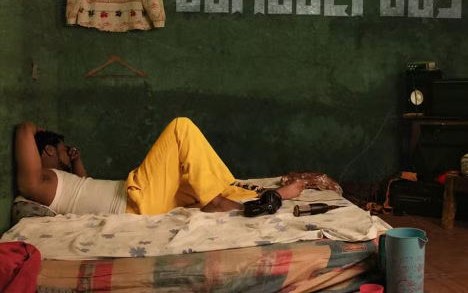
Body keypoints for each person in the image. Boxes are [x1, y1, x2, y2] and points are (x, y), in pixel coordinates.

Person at [14, 118, 305, 216]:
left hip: (146, 200)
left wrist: (75, 160)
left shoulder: (59, 180)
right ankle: (216, 201)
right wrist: (39, 131)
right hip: (135, 200)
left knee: (196, 181)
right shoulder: (40, 182)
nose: (68, 152)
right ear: (49, 150)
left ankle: (266, 197)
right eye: (62, 149)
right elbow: (25, 129)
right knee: (181, 127)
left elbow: (85, 184)